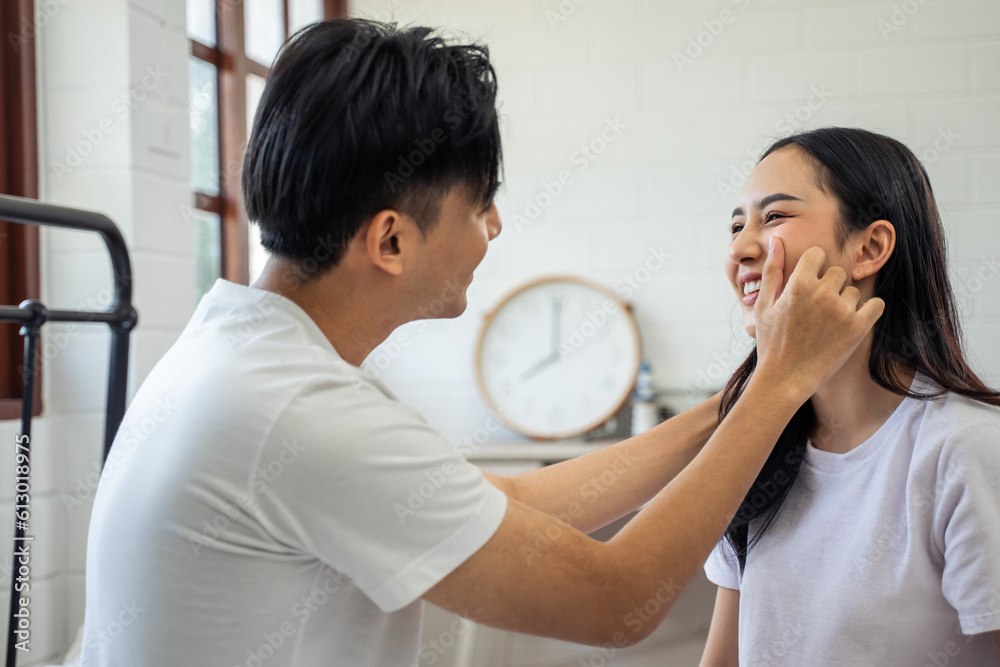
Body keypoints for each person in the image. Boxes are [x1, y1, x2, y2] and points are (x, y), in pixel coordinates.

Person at [80, 20, 883, 666]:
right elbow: (614, 600)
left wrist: (737, 401)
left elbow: (518, 506)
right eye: (480, 205)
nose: (494, 226)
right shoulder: (296, 408)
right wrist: (778, 385)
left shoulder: (241, 356)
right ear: (391, 240)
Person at [699, 127, 1000, 666]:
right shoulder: (751, 449)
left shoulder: (967, 449)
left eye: (774, 217)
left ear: (871, 247)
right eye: (736, 224)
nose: (741, 247)